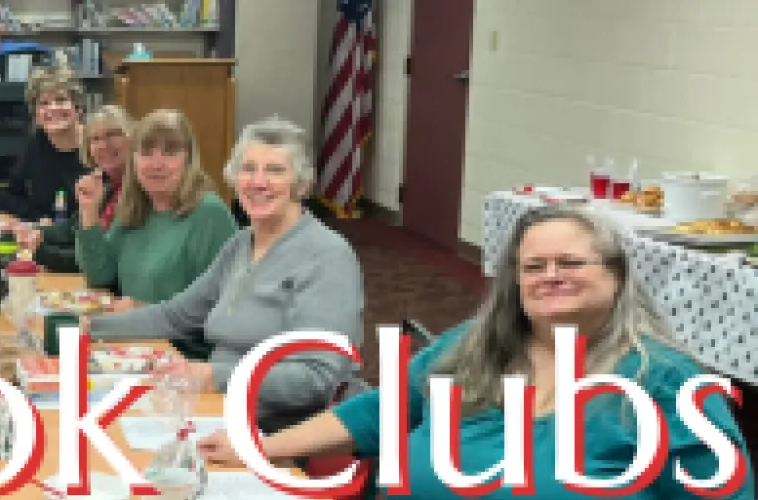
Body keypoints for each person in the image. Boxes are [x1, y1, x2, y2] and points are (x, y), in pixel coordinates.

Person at [199, 205, 757, 499]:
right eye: (533, 267)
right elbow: (379, 412)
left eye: (571, 263)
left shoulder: (666, 384)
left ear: (616, 276)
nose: (550, 276)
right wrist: (262, 447)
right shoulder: (469, 351)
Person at [79, 116, 365, 434]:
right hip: (218, 410)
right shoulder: (242, 244)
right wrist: (88, 328)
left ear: (300, 183)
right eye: (248, 169)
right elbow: (175, 316)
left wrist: (215, 375)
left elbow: (316, 379)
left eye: (275, 170)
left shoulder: (326, 256)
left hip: (282, 432)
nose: (258, 182)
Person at [71, 110, 239, 361]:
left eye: (170, 153)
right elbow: (100, 275)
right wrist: (89, 212)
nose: (156, 164)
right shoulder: (137, 208)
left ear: (189, 160)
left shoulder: (209, 214)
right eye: (146, 153)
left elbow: (223, 312)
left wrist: (142, 312)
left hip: (185, 358)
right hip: (131, 348)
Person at [19, 104, 134, 273]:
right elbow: (72, 228)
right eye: (95, 139)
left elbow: (98, 260)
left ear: (132, 138)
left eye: (112, 135)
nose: (103, 145)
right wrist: (32, 231)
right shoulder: (108, 184)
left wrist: (41, 251)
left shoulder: (138, 191)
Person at [4, 62, 88, 222]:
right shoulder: (35, 145)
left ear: (78, 108)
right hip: (46, 237)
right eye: (44, 103)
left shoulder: (96, 144)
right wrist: (38, 218)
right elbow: (12, 197)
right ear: (35, 114)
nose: (53, 108)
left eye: (61, 100)